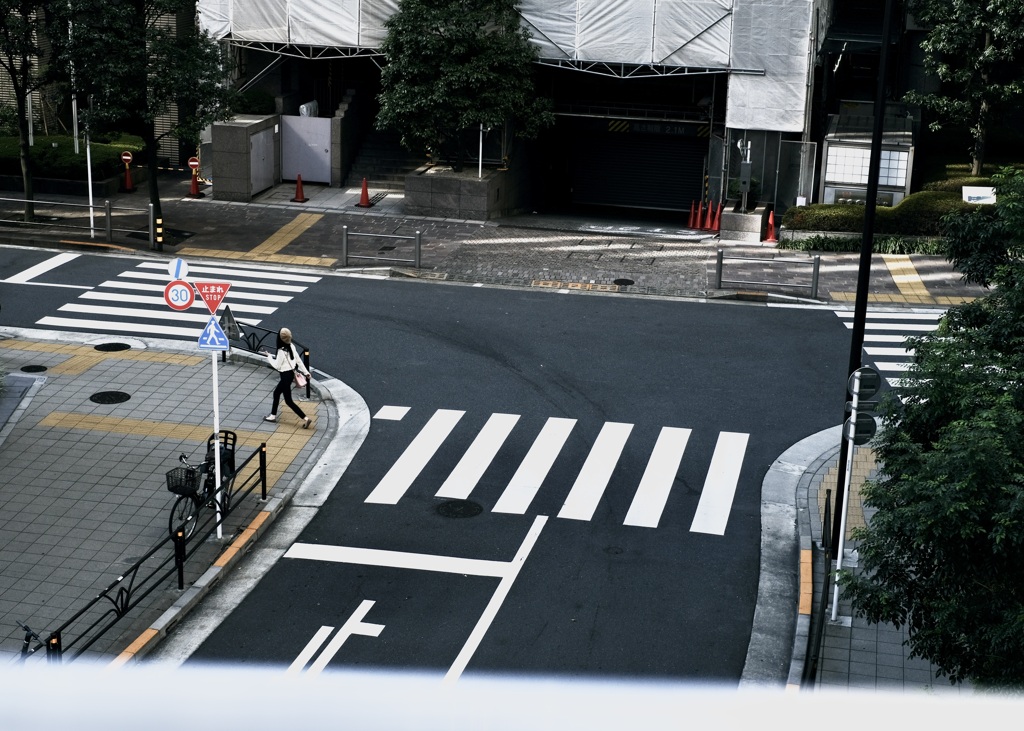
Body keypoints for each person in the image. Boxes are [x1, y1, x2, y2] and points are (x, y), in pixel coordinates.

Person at [262, 328, 312, 428]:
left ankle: (305, 418)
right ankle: (273, 415)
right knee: (276, 393)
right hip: (290, 374)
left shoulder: (281, 351)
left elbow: (277, 366)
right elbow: (298, 360)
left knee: (288, 401)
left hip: (285, 376)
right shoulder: (291, 346)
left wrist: (269, 357)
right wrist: (306, 373)